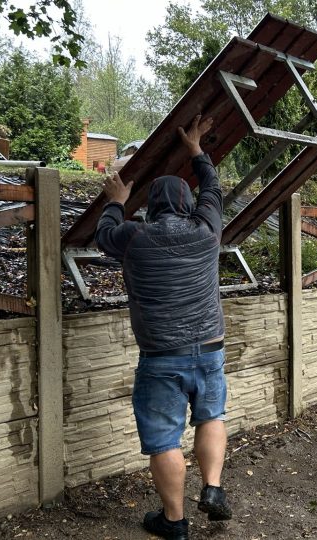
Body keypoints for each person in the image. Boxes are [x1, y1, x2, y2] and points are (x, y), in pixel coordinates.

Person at [96, 115, 231, 540]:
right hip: (210, 348)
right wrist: (196, 152)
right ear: (188, 205)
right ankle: (213, 488)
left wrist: (116, 199)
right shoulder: (207, 230)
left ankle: (174, 522)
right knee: (211, 416)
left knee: (165, 441)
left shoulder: (134, 237)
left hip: (161, 358)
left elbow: (103, 235)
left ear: (150, 207)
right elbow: (213, 190)